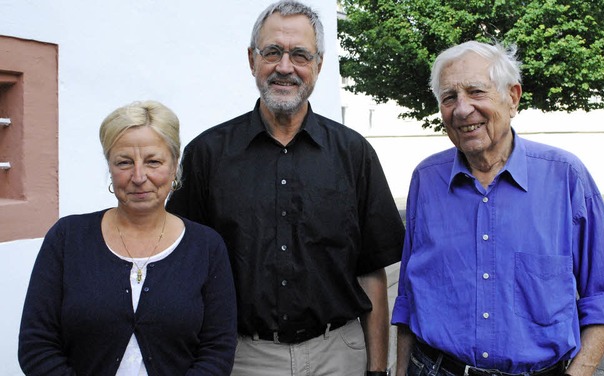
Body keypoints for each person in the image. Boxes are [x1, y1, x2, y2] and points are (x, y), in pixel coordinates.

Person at [166, 1, 404, 375]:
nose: (284, 67)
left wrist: (377, 370)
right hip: (242, 358)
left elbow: (370, 271)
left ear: (319, 65)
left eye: (300, 55)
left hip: (338, 355)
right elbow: (183, 268)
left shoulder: (354, 153)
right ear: (251, 60)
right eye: (272, 52)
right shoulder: (207, 155)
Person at [392, 40, 604, 376]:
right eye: (449, 97)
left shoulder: (565, 176)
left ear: (513, 97)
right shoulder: (426, 179)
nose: (462, 109)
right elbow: (409, 298)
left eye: (476, 91)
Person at [18, 100, 237, 376]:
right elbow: (36, 345)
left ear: (174, 166)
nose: (138, 176)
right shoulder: (67, 238)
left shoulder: (206, 247)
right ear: (109, 166)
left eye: (153, 161)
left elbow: (217, 350)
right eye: (124, 162)